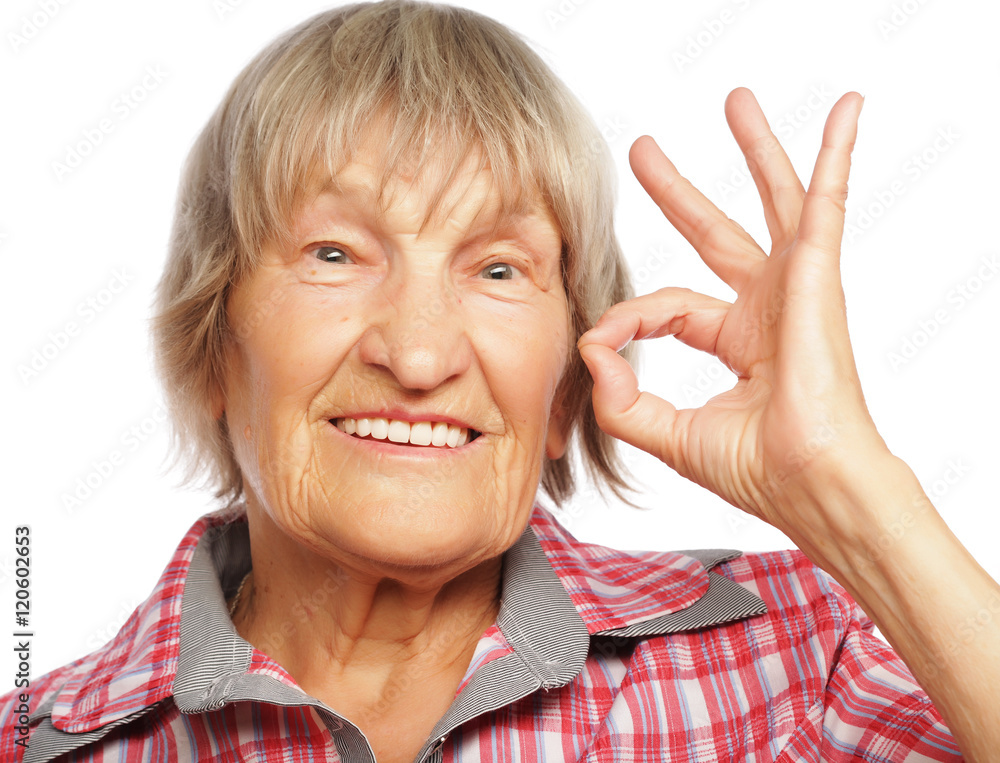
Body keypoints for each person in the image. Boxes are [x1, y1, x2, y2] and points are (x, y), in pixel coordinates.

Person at [2, 1, 997, 761]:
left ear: (567, 388)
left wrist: (848, 483)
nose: (423, 354)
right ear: (214, 347)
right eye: (337, 254)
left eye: (497, 270)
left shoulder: (799, 658)